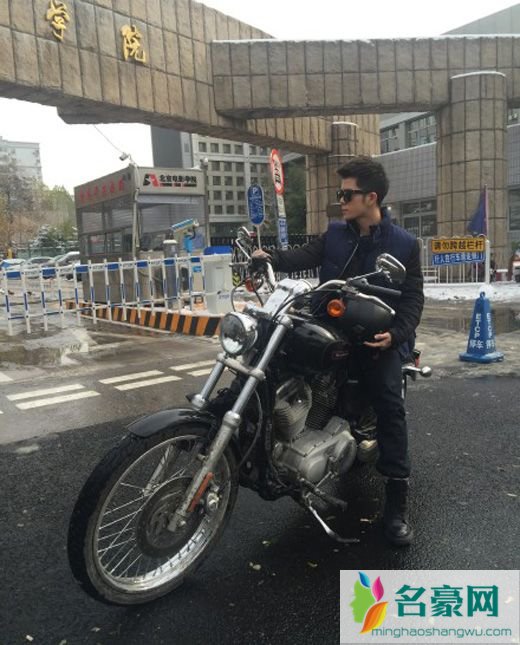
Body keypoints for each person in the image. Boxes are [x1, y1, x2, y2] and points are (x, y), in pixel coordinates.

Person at [252, 156, 424, 546]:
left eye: (346, 195)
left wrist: (396, 335)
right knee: (277, 362)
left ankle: (397, 503)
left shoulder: (403, 244)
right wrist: (270, 259)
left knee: (389, 407)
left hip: (375, 338)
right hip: (330, 328)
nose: (340, 201)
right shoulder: (334, 234)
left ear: (371, 197)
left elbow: (413, 298)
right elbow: (302, 256)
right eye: (339, 194)